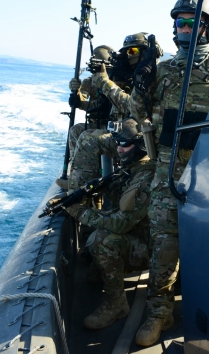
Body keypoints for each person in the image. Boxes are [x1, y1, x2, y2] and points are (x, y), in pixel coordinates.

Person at [129, 0, 209, 346]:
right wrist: (141, 80)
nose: (182, 28)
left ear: (208, 26)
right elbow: (137, 111)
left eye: (190, 22)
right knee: (164, 244)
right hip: (168, 171)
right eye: (178, 22)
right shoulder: (167, 69)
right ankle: (159, 312)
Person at [67, 117, 155, 330]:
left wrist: (79, 212)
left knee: (101, 240)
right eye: (117, 143)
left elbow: (120, 225)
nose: (119, 148)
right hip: (138, 237)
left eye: (125, 144)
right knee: (93, 268)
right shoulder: (131, 167)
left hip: (151, 249)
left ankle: (116, 304)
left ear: (141, 145)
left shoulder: (146, 176)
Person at [66, 33, 161, 192]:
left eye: (132, 52)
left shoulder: (150, 76)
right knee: (77, 130)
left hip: (138, 138)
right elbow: (104, 106)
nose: (127, 56)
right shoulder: (124, 74)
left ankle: (80, 193)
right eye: (126, 52)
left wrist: (105, 82)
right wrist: (79, 97)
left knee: (88, 139)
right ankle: (81, 181)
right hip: (119, 130)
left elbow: (131, 107)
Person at [56, 45, 116, 190]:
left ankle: (82, 182)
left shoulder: (116, 80)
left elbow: (109, 105)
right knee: (76, 130)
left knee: (86, 136)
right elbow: (82, 97)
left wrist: (85, 104)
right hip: (96, 124)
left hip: (112, 127)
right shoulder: (91, 81)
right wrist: (75, 92)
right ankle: (78, 175)